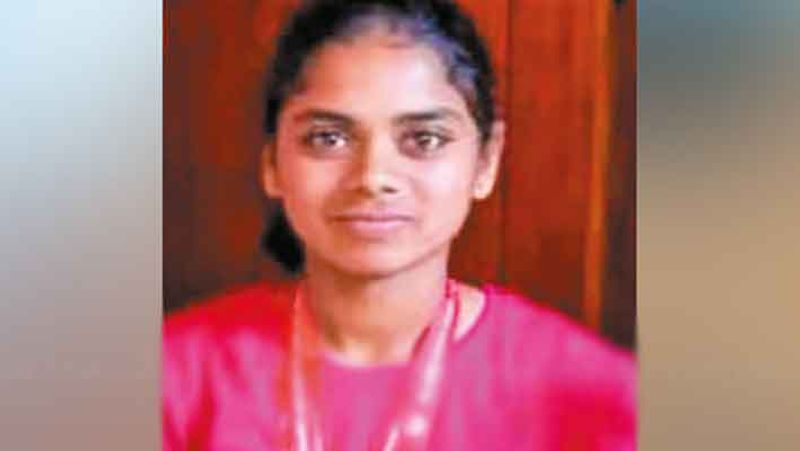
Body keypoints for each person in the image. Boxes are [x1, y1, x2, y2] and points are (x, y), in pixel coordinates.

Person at [162, 1, 636, 449]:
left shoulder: (594, 395)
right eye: (328, 138)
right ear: (271, 163)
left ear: (486, 161)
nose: (373, 177)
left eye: (424, 139)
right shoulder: (176, 377)